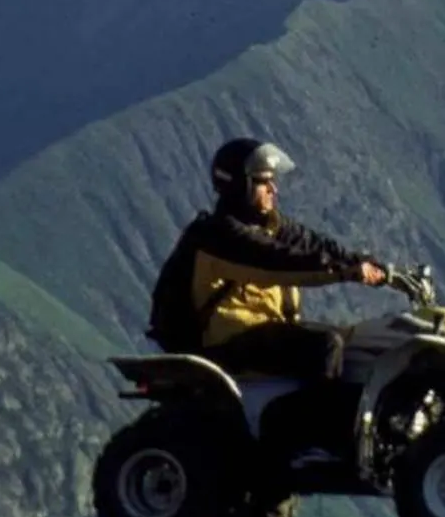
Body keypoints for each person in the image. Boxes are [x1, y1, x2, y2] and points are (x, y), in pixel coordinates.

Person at [164, 138, 388, 383]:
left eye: (273, 180)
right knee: (325, 345)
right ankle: (317, 420)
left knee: (357, 342)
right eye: (263, 181)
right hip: (226, 346)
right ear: (241, 185)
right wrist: (347, 271)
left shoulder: (271, 225)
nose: (274, 189)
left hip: (265, 334)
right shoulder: (219, 236)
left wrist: (376, 267)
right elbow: (277, 262)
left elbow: (317, 245)